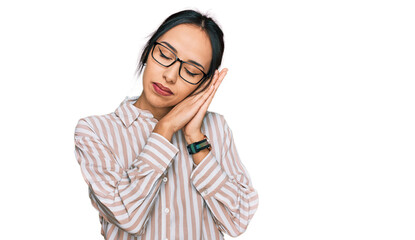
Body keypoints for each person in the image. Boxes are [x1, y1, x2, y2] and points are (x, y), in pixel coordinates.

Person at [73, 9, 258, 240]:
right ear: (148, 52)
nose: (170, 75)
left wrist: (195, 139)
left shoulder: (215, 128)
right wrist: (165, 128)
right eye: (164, 54)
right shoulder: (95, 131)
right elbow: (127, 216)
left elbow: (238, 221)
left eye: (191, 71)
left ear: (205, 83)